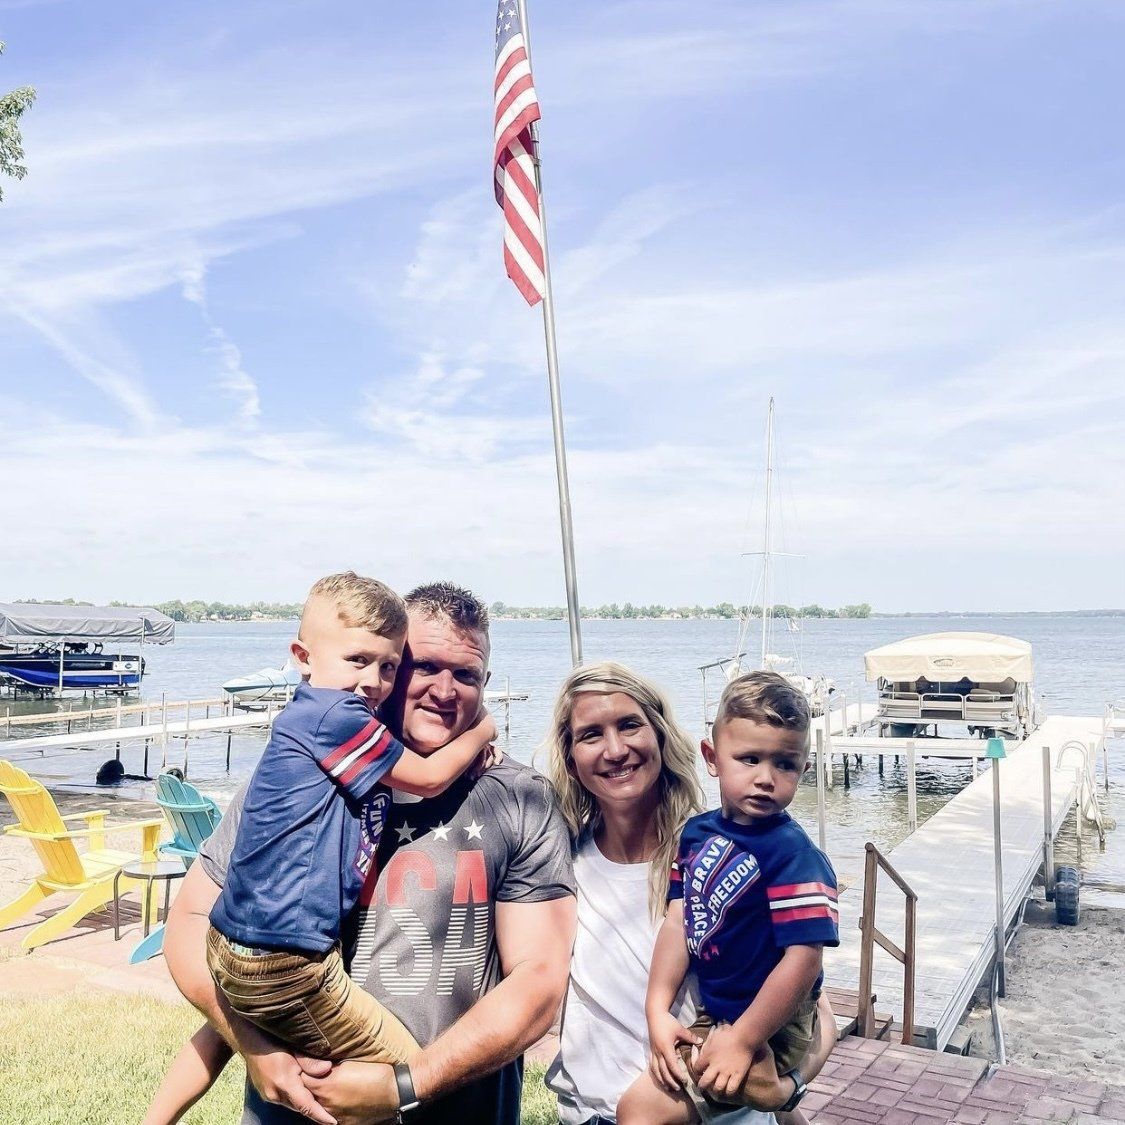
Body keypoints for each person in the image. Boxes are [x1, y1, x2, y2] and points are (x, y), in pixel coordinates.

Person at [158, 582, 576, 1125]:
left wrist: (407, 1085)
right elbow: (191, 921)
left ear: (486, 684)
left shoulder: (518, 795)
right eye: (423, 666)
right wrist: (253, 1046)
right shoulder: (296, 775)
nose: (445, 691)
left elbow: (541, 977)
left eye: (467, 675)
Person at [543, 663, 836, 1125]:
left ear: (660, 736)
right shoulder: (557, 863)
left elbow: (812, 1006)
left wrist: (785, 1091)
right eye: (591, 734)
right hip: (585, 1114)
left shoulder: (744, 849)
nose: (616, 750)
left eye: (630, 725)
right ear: (570, 755)